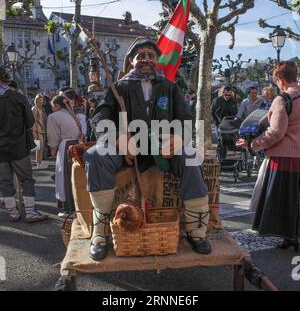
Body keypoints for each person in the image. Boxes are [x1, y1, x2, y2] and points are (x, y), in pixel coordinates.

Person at [84, 37, 211, 261]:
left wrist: (179, 139)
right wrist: (117, 139)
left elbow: (185, 119)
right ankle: (100, 231)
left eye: (151, 56)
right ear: (131, 61)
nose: (146, 59)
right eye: (140, 56)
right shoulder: (118, 88)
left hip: (164, 153)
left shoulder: (170, 87)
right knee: (96, 155)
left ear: (157, 60)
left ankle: (196, 230)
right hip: (127, 152)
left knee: (191, 156)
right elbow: (100, 117)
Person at [236, 61, 300, 252]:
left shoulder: (283, 100)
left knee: (284, 199)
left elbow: (275, 133)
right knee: (296, 197)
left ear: (280, 79)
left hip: (284, 157)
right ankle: (294, 236)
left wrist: (252, 144)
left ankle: (290, 236)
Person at [0, 67, 48, 223]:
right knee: (26, 179)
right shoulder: (18, 97)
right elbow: (30, 121)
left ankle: (13, 212)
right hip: (18, 146)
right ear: (6, 79)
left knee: (5, 181)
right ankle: (30, 212)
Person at [47, 95, 83, 217]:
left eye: (52, 106)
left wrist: (53, 149)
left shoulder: (53, 116)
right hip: (77, 146)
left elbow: (53, 137)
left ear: (56, 105)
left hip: (66, 147)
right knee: (76, 177)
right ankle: (78, 206)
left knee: (65, 178)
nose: (52, 109)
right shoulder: (71, 115)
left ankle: (69, 208)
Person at [32, 94, 48, 169]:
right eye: (39, 100)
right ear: (36, 100)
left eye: (41, 100)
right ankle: (38, 164)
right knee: (39, 147)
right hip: (38, 130)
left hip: (43, 130)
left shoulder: (42, 109)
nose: (40, 102)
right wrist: (34, 132)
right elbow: (33, 121)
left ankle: (39, 163)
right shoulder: (34, 108)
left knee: (41, 147)